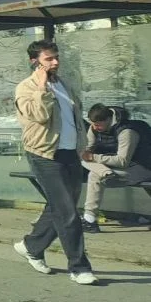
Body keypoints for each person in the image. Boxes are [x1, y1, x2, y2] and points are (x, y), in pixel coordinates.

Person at [12, 40, 96, 284]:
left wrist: (83, 146)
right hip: (44, 154)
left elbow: (74, 118)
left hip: (70, 153)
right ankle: (79, 267)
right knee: (68, 213)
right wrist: (40, 87)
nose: (55, 62)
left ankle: (30, 246)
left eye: (56, 57)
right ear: (34, 62)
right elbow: (39, 115)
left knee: (60, 206)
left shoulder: (63, 85)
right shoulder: (25, 88)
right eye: (49, 59)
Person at [81, 104, 151, 230]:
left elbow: (122, 161)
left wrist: (93, 158)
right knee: (83, 161)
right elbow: (88, 150)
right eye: (93, 124)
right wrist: (86, 153)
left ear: (108, 119)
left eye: (99, 125)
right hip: (112, 168)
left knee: (94, 174)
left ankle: (89, 220)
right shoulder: (94, 128)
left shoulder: (127, 132)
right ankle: (106, 173)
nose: (96, 128)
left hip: (142, 168)